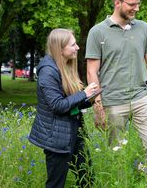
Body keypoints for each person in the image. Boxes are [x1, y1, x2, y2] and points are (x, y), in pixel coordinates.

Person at [85, 0, 147, 177]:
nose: (136, 8)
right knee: (116, 152)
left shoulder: (143, 28)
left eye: (138, 4)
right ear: (117, 3)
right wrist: (98, 106)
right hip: (112, 102)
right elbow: (92, 71)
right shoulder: (97, 32)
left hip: (141, 98)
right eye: (132, 4)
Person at [29, 28, 98, 188]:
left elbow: (72, 103)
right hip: (56, 138)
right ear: (60, 49)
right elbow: (58, 106)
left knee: (87, 179)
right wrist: (84, 94)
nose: (78, 48)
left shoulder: (65, 66)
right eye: (73, 45)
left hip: (74, 133)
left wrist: (92, 98)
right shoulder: (48, 71)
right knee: (56, 184)